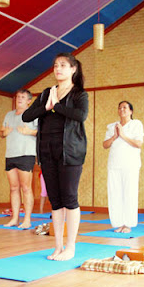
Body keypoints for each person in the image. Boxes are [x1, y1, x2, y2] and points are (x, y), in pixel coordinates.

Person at [23, 53, 88, 261]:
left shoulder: (79, 94)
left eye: (62, 65)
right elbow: (26, 115)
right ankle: (58, 247)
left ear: (73, 69)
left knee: (69, 198)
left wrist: (57, 106)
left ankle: (71, 247)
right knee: (56, 201)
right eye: (55, 65)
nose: (57, 69)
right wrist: (46, 107)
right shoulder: (46, 94)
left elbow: (81, 115)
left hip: (70, 152)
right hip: (47, 151)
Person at [103, 101, 144, 233]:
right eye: (120, 108)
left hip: (130, 164)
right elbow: (105, 145)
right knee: (115, 193)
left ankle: (128, 224)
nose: (122, 110)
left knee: (129, 193)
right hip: (114, 164)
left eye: (125, 108)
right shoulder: (112, 126)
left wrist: (123, 135)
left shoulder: (136, 124)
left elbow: (138, 144)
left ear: (131, 111)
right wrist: (115, 136)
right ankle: (118, 223)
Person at [0, 89, 38, 228]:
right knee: (13, 188)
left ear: (29, 101)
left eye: (22, 97)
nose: (19, 99)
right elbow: (1, 132)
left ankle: (27, 220)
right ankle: (15, 218)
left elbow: (42, 132)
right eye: (18, 97)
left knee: (26, 188)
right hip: (10, 154)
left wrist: (30, 132)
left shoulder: (33, 114)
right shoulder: (9, 115)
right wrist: (4, 133)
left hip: (26, 154)